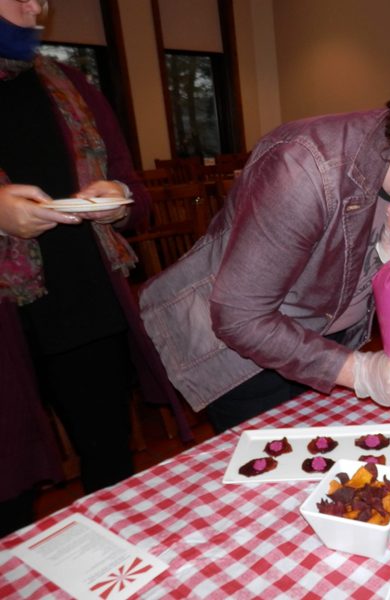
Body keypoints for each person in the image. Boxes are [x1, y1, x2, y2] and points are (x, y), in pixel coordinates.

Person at [139, 72, 390, 433]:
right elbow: (240, 317)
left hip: (328, 339)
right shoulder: (303, 167)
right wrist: (359, 371)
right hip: (241, 358)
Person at [0, 0, 178, 536]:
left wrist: (120, 198)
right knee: (8, 486)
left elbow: (132, 187)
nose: (39, 6)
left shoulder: (69, 82)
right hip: (9, 326)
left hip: (85, 307)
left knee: (110, 467)